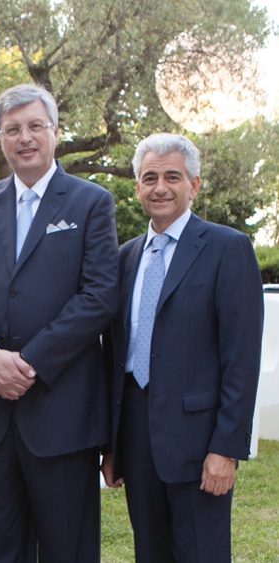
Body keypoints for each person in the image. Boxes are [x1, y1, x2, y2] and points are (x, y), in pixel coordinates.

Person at [0, 84, 119, 561]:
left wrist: (30, 363)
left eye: (35, 126)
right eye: (12, 129)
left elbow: (99, 295)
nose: (25, 138)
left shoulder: (91, 203)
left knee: (68, 549)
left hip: (61, 414)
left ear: (55, 132)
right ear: (0, 140)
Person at [101, 133, 263, 562]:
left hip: (199, 443)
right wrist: (111, 444)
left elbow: (241, 359)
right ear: (136, 187)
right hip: (136, 440)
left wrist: (226, 449)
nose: (160, 187)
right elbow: (115, 352)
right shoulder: (124, 258)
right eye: (149, 177)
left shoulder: (228, 249)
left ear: (193, 185)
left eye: (172, 176)